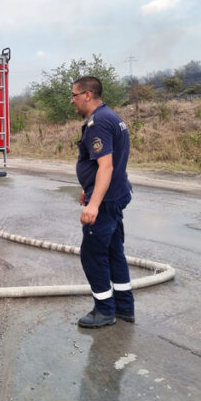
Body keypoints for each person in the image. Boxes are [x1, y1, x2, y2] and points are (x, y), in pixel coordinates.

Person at [72, 76, 134, 328]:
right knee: (113, 251)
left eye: (74, 95)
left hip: (107, 201)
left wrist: (94, 204)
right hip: (114, 194)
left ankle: (105, 310)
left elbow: (106, 166)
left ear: (88, 95)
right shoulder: (111, 116)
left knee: (92, 255)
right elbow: (108, 164)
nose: (72, 101)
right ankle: (124, 307)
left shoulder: (98, 123)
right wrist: (90, 189)